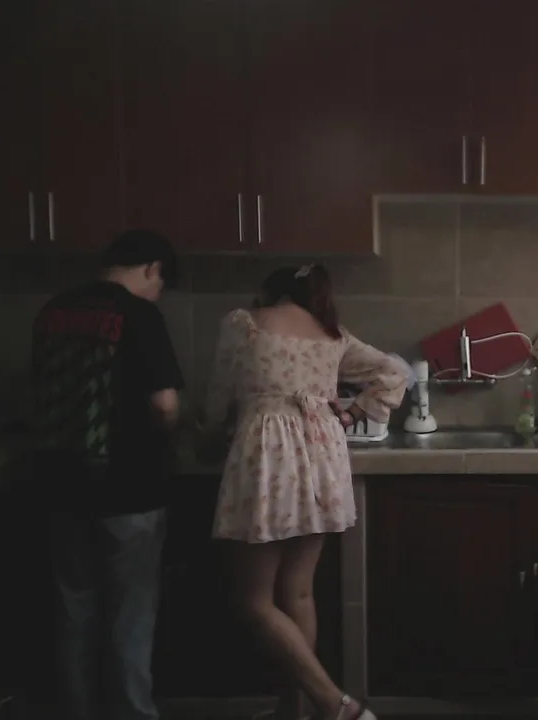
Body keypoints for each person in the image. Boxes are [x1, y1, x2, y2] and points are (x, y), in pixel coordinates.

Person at [198, 264, 408, 720]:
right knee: (298, 594)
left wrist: (210, 433)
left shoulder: (244, 324)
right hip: (321, 457)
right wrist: (352, 415)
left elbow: (217, 396)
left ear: (270, 291)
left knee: (252, 600)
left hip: (268, 458)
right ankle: (294, 713)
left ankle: (334, 703)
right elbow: (395, 372)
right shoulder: (333, 335)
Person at [30, 229, 184, 720]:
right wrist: (174, 432)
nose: (158, 293)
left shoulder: (52, 311)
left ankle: (78, 712)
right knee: (130, 617)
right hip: (130, 487)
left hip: (62, 486)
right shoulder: (140, 315)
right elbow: (164, 405)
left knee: (73, 612)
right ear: (153, 268)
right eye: (161, 283)